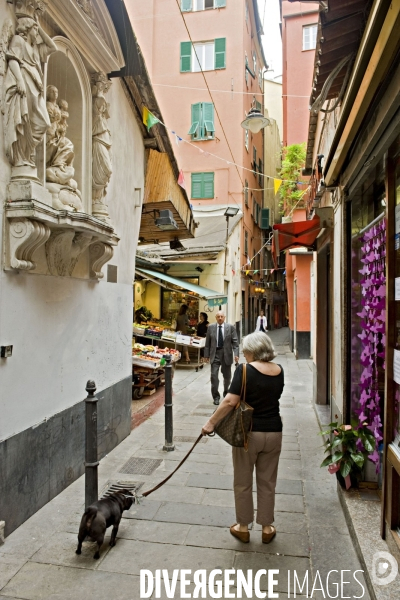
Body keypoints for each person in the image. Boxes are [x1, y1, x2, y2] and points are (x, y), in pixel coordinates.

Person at [201, 332, 284, 544]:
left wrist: (211, 423)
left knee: (243, 481)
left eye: (246, 350)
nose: (244, 354)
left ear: (253, 350)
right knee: (267, 482)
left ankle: (243, 527)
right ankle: (267, 528)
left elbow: (230, 401)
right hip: (274, 432)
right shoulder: (279, 370)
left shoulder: (245, 369)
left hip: (248, 433)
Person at [204, 311, 239, 405]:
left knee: (227, 377)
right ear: (216, 317)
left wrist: (236, 354)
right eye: (218, 316)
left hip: (226, 354)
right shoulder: (211, 328)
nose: (220, 318)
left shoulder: (230, 327)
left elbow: (235, 342)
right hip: (214, 354)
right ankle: (216, 396)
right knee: (214, 376)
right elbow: (207, 343)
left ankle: (226, 392)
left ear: (224, 317)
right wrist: (206, 355)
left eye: (221, 316)